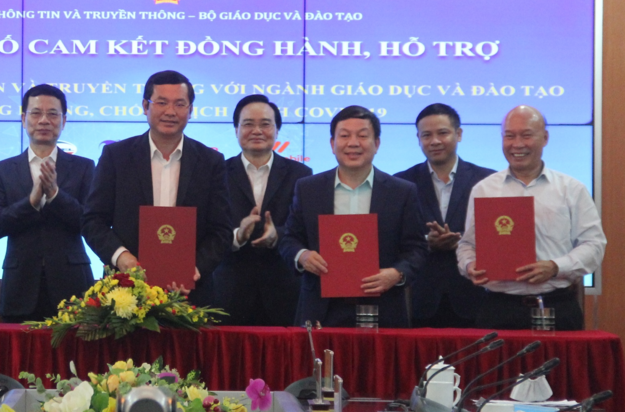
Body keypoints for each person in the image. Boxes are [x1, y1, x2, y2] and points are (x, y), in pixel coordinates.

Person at [81, 70, 232, 305]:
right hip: (125, 293)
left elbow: (221, 230)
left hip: (192, 294)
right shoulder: (116, 156)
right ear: (145, 106)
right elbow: (93, 220)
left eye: (180, 104)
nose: (170, 111)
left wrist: (195, 269)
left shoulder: (210, 162)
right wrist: (121, 258)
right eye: (161, 102)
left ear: (191, 110)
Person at [457, 105, 605, 331]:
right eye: (509, 136)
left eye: (526, 135)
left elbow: (594, 245)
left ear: (545, 138)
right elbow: (467, 244)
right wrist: (470, 265)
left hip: (557, 306)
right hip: (499, 308)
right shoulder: (484, 190)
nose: (517, 144)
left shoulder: (571, 189)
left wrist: (555, 267)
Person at [278, 105, 427, 327]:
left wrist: (397, 274)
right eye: (345, 136)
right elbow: (289, 239)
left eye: (363, 136)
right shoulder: (308, 188)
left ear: (377, 144)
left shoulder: (402, 191)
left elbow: (417, 248)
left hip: (383, 307)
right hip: (321, 308)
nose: (353, 143)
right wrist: (302, 256)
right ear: (332, 144)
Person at [0, 84, 96, 322]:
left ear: (63, 121)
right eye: (36, 113)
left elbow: (91, 223)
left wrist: (55, 195)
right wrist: (31, 202)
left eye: (52, 114)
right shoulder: (2, 170)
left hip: (72, 286)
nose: (44, 120)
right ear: (23, 119)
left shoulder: (84, 168)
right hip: (19, 287)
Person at [210, 94, 312, 326]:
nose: (257, 131)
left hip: (284, 293)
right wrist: (238, 235)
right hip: (228, 292)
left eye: (265, 124)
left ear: (277, 130)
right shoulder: (217, 173)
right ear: (236, 129)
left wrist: (278, 235)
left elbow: (306, 230)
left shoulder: (301, 175)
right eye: (248, 124)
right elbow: (207, 228)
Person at [394, 103, 495, 328]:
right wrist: (427, 242)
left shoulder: (487, 181)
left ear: (458, 134)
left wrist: (461, 241)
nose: (435, 141)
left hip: (475, 295)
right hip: (419, 298)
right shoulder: (400, 183)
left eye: (442, 133)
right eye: (426, 135)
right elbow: (393, 239)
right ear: (418, 138)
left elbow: (498, 237)